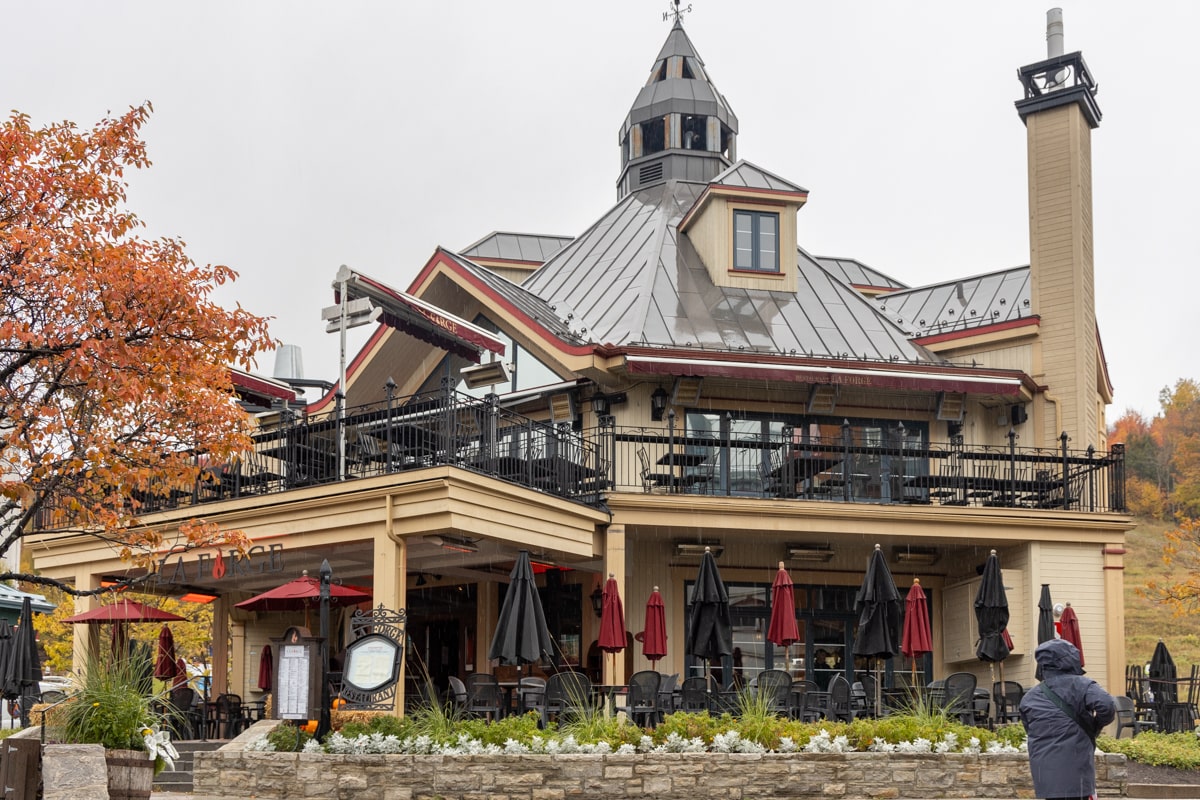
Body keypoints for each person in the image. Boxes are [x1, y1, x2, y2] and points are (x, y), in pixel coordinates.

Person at [1019, 638, 1115, 800]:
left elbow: (1029, 729)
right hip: (1077, 774)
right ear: (1071, 659)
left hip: (1045, 777)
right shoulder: (1081, 685)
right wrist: (1095, 725)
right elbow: (1107, 706)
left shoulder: (1029, 698)